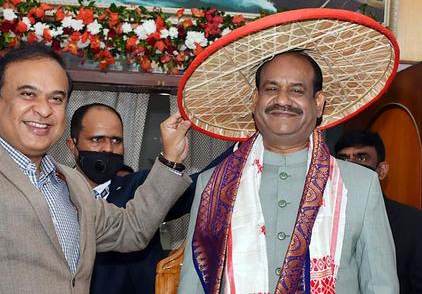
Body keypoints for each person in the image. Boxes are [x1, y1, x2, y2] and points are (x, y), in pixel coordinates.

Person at [0, 43, 192, 294]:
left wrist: (171, 157)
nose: (44, 110)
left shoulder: (70, 182)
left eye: (56, 98)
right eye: (28, 94)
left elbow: (131, 230)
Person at [179, 50, 398, 293]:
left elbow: (381, 284)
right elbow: (194, 283)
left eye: (296, 90)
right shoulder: (215, 184)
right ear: (255, 100)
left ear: (318, 103)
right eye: (271, 89)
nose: (282, 100)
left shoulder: (360, 184)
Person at [66, 103, 195, 294]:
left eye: (116, 141)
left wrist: (242, 148)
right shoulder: (58, 193)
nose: (108, 148)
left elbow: (204, 183)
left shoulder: (140, 189)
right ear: (72, 145)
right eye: (97, 139)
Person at [335, 130, 422, 294]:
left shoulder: (412, 223)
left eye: (361, 158)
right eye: (343, 159)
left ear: (382, 170)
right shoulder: (322, 215)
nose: (351, 166)